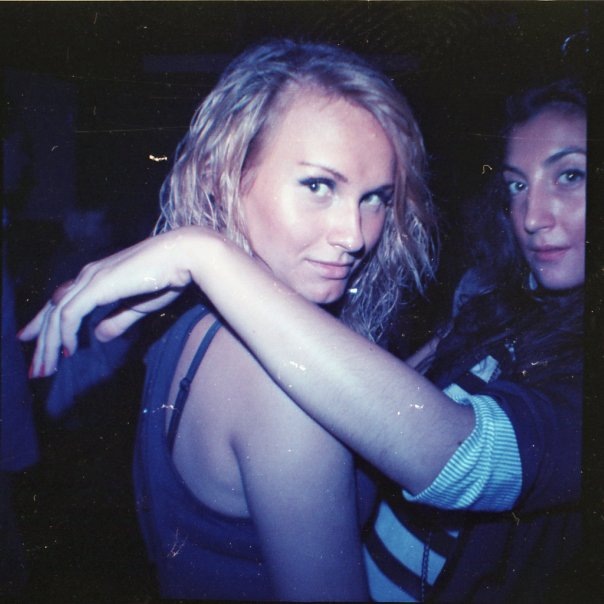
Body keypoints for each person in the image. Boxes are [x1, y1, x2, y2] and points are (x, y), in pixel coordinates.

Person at [20, 79, 585, 601]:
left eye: (375, 198)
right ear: (229, 176)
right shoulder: (283, 382)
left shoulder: (198, 316)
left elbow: (470, 456)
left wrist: (201, 252)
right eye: (318, 185)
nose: (354, 235)